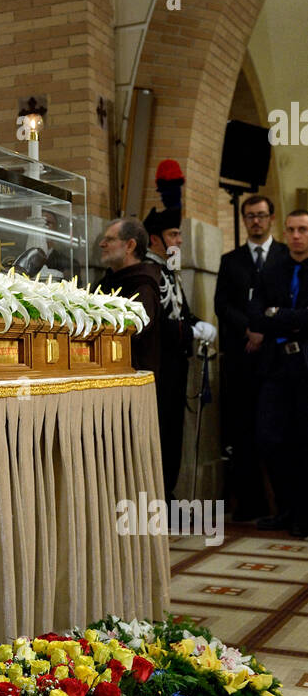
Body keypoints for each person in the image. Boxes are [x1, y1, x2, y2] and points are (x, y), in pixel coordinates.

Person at [214, 195, 289, 520]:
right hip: (241, 358)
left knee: (278, 433)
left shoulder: (287, 256)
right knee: (242, 431)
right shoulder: (231, 260)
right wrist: (250, 329)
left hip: (277, 359)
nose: (255, 221)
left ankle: (287, 507)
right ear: (243, 220)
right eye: (250, 217)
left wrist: (264, 330)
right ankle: (249, 505)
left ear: (272, 217)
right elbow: (222, 305)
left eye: (261, 215)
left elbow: (287, 304)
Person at [144, 208, 217, 501]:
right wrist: (190, 332)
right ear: (155, 239)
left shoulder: (168, 270)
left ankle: (169, 492)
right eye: (173, 234)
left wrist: (197, 321)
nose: (179, 240)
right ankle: (159, 495)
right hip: (159, 368)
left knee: (174, 432)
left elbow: (180, 311)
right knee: (161, 433)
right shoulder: (150, 272)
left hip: (176, 366)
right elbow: (159, 324)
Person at [247, 209, 308, 538]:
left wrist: (278, 315)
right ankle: (285, 509)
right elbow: (256, 315)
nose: (296, 236)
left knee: (304, 440)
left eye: (303, 230)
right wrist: (292, 317)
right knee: (270, 437)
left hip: (305, 366)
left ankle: (303, 513)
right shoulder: (273, 269)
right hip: (276, 366)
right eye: (291, 230)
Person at [98, 218, 161, 377]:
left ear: (130, 245)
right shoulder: (105, 282)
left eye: (110, 239)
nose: (102, 244)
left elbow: (128, 332)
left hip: (131, 377)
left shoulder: (143, 286)